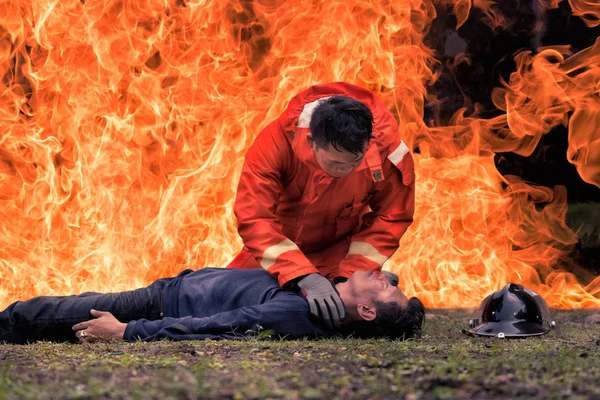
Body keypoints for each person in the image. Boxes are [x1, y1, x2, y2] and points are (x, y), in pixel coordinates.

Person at [229, 82, 415, 329]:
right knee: (225, 297)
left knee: (331, 316)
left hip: (339, 253)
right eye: (336, 163)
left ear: (368, 142)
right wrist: (302, 276)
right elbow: (255, 218)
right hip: (276, 249)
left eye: (354, 161)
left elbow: (393, 216)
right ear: (311, 141)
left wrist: (351, 275)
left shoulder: (388, 151)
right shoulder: (274, 143)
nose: (346, 170)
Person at [0, 268, 425, 344]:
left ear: (367, 312)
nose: (386, 277)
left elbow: (227, 325)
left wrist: (127, 332)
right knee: (48, 313)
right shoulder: (327, 293)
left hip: (159, 308)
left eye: (388, 290)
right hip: (171, 291)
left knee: (41, 315)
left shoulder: (300, 314)